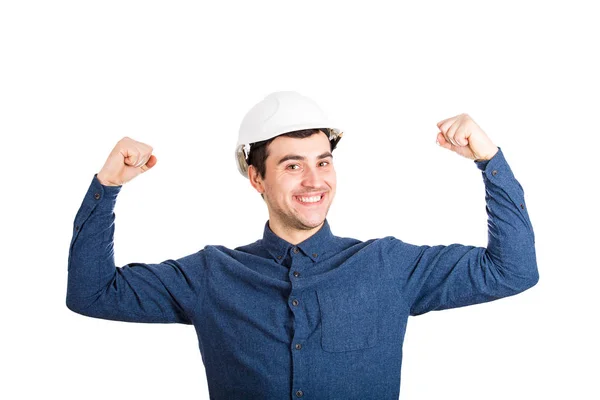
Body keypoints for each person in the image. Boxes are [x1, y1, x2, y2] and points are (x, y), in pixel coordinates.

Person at [67, 91, 539, 399]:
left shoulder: (390, 266)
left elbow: (513, 270)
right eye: (293, 165)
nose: (315, 180)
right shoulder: (211, 275)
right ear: (257, 178)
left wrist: (489, 160)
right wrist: (107, 185)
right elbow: (92, 293)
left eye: (324, 162)